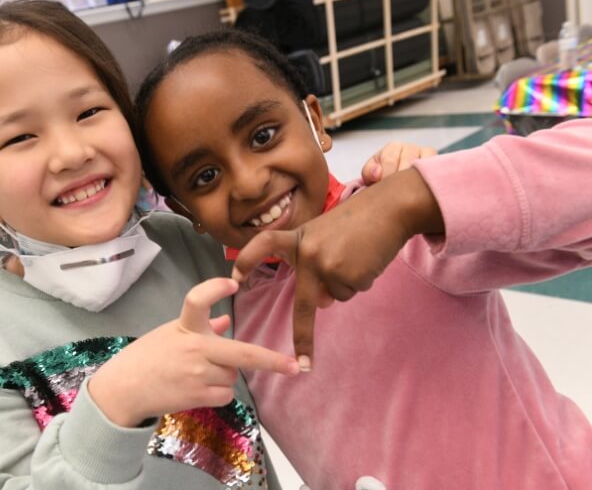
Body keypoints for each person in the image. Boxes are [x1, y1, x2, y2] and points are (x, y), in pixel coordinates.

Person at [0, 0, 423, 489]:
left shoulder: (192, 248)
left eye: (89, 111)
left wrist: (404, 192)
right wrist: (112, 406)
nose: (71, 153)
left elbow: (315, 260)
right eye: (20, 138)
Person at [134, 29, 592, 489]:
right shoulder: (238, 318)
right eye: (206, 175)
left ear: (315, 119)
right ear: (183, 210)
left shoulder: (404, 234)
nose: (249, 183)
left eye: (263, 135)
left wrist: (413, 199)